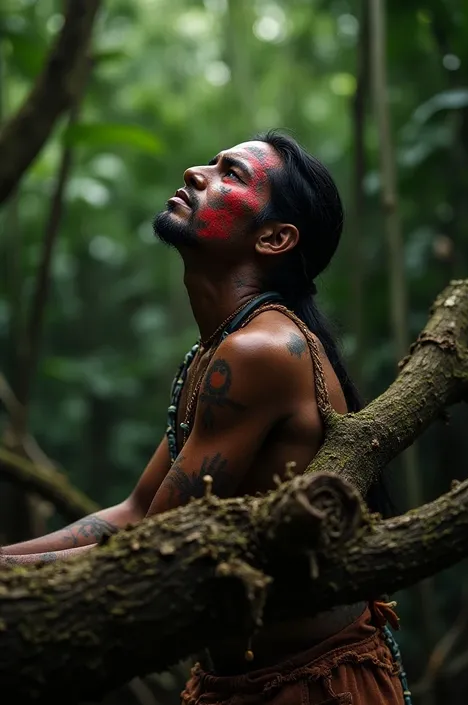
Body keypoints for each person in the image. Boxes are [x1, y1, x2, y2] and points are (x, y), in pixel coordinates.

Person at [1, 131, 408, 704]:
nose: (196, 172)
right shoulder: (222, 348)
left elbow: (150, 545)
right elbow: (138, 512)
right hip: (233, 682)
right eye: (212, 164)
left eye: (231, 174)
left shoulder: (259, 353)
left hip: (314, 687)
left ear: (274, 238)